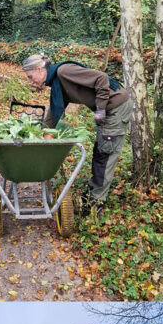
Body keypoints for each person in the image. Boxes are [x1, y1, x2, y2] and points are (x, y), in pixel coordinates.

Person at [21, 53, 133, 214]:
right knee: (100, 152)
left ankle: (95, 205)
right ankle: (91, 197)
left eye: (31, 77)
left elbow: (101, 78)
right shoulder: (57, 81)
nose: (31, 81)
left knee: (105, 156)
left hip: (115, 108)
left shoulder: (64, 72)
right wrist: (45, 132)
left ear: (39, 69)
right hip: (110, 109)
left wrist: (100, 108)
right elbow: (55, 109)